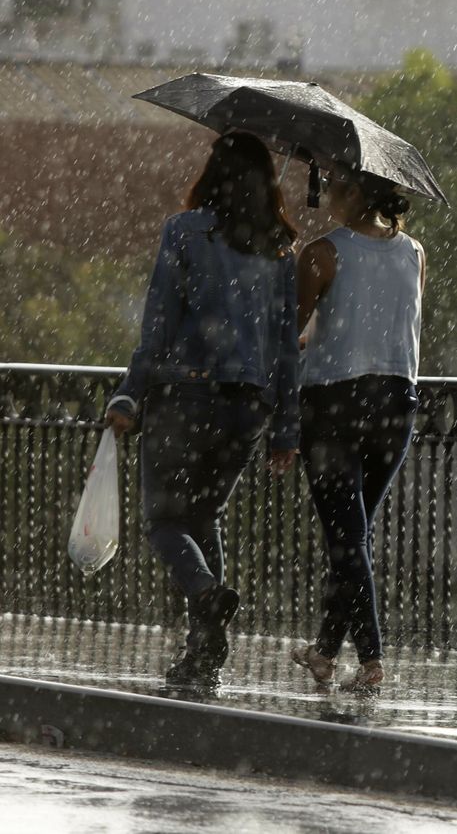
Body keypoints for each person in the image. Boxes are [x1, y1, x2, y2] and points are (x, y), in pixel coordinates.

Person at [104, 132, 300, 690]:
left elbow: (159, 323)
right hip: (248, 408)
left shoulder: (185, 231)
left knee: (165, 522)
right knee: (204, 518)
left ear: (212, 173)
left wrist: (129, 393)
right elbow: (288, 347)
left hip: (185, 397)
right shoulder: (280, 249)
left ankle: (207, 596)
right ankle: (204, 653)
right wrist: (285, 428)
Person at [288, 166, 425, 693]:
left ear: (351, 192)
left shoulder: (322, 254)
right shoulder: (414, 253)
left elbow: (288, 332)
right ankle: (325, 652)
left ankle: (371, 661)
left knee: (346, 538)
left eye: (332, 184)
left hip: (334, 402)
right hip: (396, 401)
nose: (324, 192)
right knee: (354, 537)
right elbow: (393, 326)